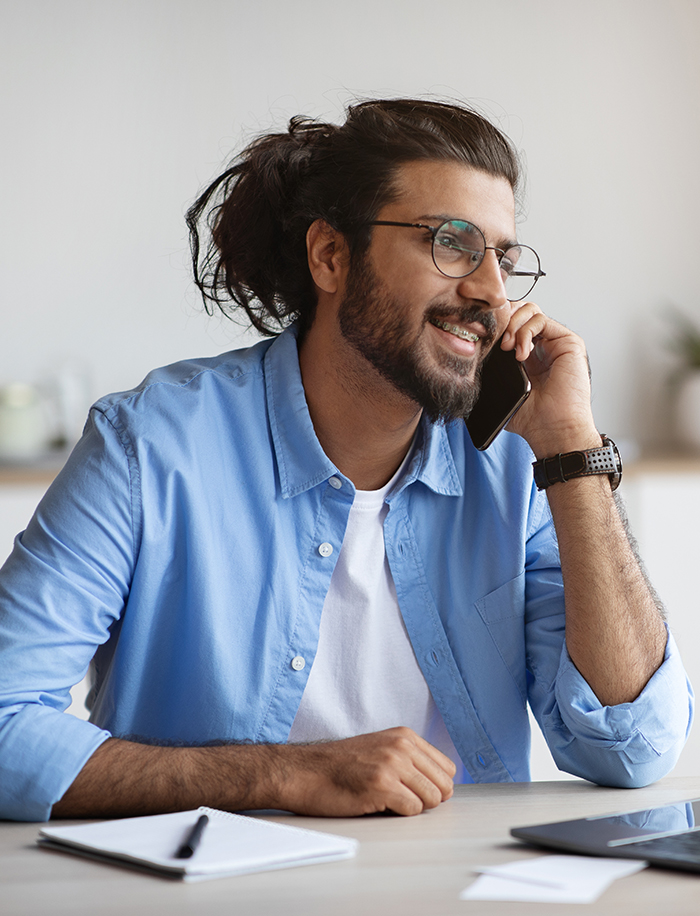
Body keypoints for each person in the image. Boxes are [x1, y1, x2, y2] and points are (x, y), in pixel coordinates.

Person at [0, 99, 692, 823]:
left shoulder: (517, 464)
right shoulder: (151, 444)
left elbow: (632, 748)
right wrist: (277, 777)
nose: (491, 290)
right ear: (331, 255)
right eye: (452, 243)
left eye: (503, 257)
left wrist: (573, 452)